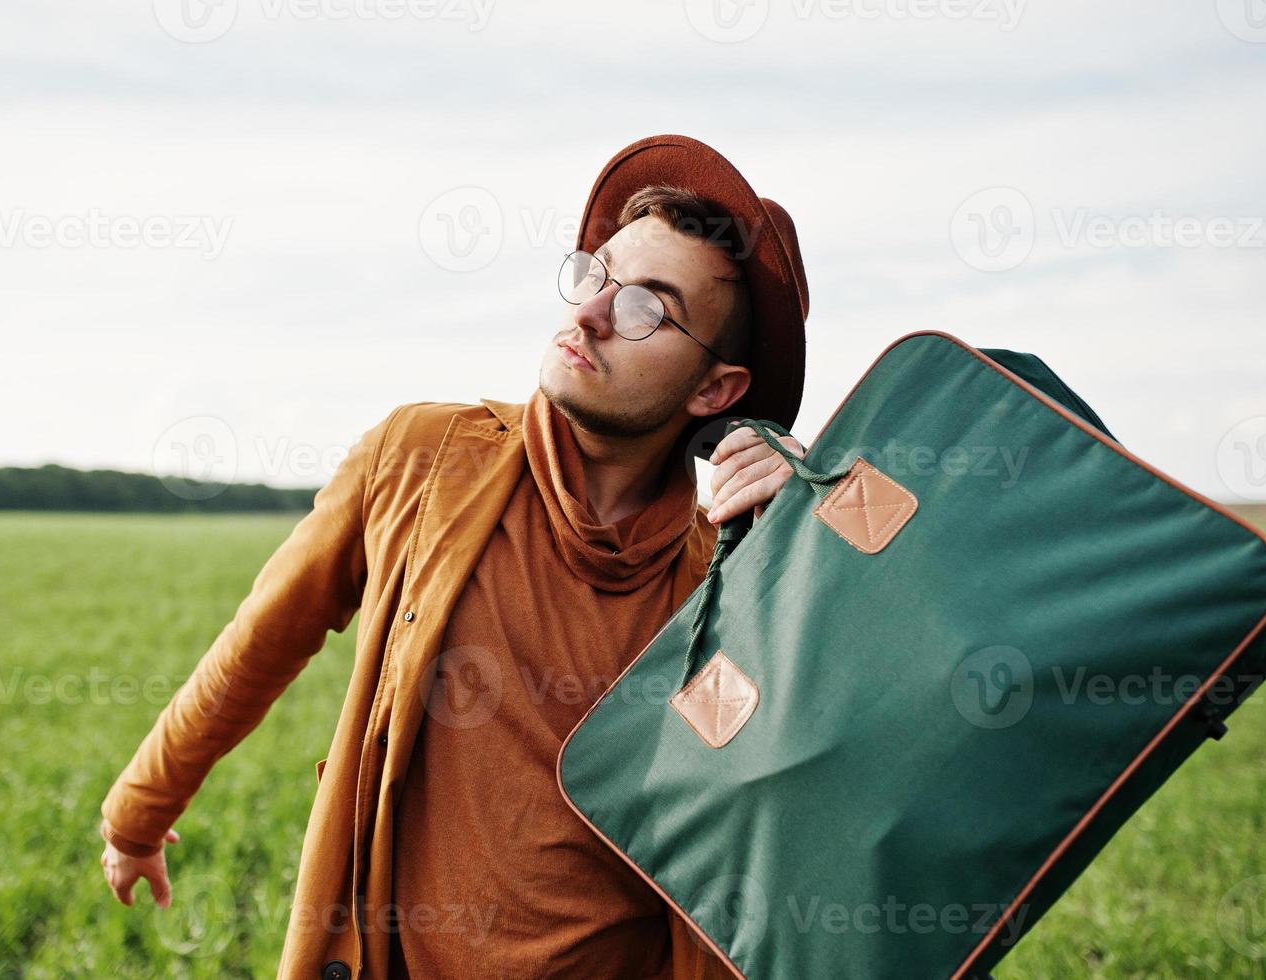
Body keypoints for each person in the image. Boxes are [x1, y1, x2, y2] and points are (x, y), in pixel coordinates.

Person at [98, 135, 812, 979]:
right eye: (595, 276)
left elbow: (780, 810)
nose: (587, 313)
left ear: (714, 390)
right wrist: (138, 811)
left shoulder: (723, 584)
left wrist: (805, 554)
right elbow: (259, 643)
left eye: (644, 309)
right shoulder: (421, 459)